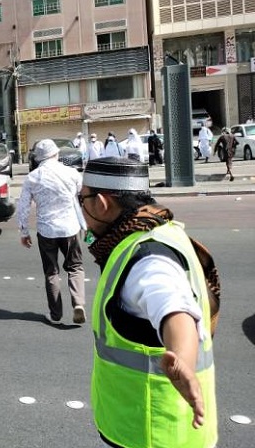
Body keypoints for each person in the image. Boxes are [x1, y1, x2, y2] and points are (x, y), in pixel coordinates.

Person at [79, 157, 218, 448]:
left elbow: (174, 308)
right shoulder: (163, 229)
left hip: (149, 432)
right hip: (174, 428)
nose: (81, 209)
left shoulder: (146, 257)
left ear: (102, 203)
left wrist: (182, 361)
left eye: (82, 200)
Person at [17, 140, 86, 325]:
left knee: (51, 272)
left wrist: (24, 232)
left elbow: (23, 207)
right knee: (75, 266)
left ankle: (56, 314)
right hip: (70, 227)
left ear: (39, 158)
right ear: (56, 154)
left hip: (46, 230)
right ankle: (78, 303)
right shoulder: (71, 173)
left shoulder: (33, 177)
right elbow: (83, 196)